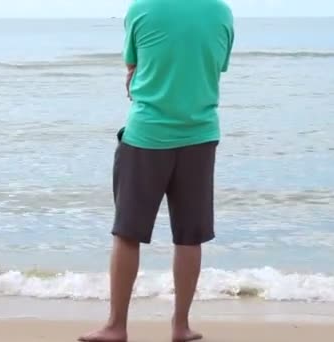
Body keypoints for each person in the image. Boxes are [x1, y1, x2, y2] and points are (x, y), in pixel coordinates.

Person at [79, 0, 234, 341]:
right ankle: (181, 326)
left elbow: (133, 65)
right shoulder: (221, 11)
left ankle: (117, 326)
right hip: (200, 133)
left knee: (128, 233)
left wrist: (143, 78)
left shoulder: (143, 9)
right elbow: (217, 65)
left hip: (147, 134)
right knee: (189, 236)